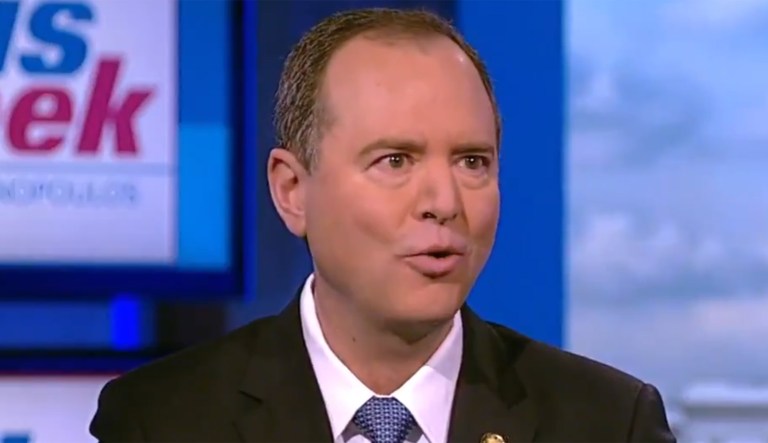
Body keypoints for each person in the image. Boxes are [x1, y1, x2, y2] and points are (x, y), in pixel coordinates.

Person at [90, 7, 676, 443]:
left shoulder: (608, 423)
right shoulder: (161, 421)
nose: (444, 201)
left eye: (472, 162)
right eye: (395, 161)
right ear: (292, 191)